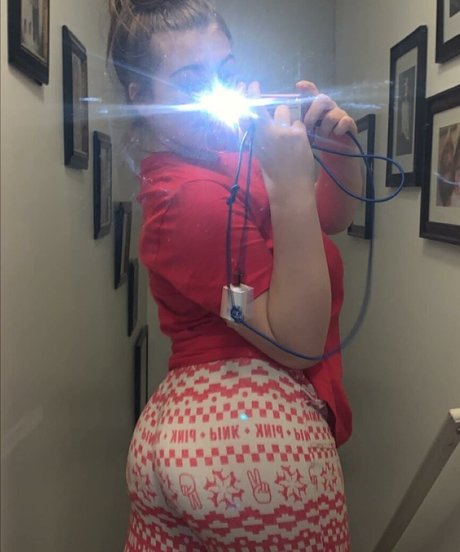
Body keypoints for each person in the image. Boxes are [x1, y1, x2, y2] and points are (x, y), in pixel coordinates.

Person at [107, 1, 363, 550]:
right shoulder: (188, 198)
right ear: (142, 98)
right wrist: (289, 184)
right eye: (191, 81)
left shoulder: (227, 155)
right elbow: (297, 342)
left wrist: (334, 147)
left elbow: (330, 219)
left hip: (234, 440)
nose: (216, 92)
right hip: (240, 445)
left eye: (225, 72)